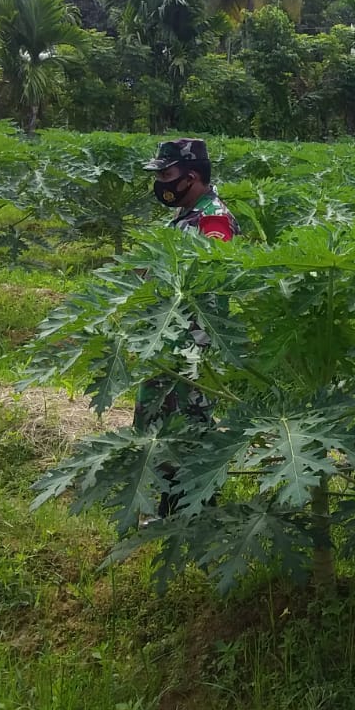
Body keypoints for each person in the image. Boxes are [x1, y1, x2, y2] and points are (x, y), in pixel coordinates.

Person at [136, 138, 239, 516]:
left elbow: (209, 279)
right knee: (160, 426)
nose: (160, 182)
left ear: (191, 176)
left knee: (189, 430)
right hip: (168, 339)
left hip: (192, 346)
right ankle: (169, 509)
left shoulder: (214, 220)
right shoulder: (184, 216)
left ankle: (194, 515)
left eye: (166, 174)